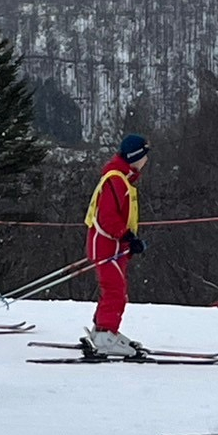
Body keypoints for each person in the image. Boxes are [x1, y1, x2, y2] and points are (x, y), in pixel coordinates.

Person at [81, 134, 150, 357]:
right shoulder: (116, 180)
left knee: (113, 290)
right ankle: (105, 335)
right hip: (107, 247)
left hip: (113, 247)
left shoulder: (122, 178)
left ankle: (103, 331)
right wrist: (127, 236)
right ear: (135, 157)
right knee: (115, 292)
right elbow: (107, 218)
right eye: (144, 155)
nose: (146, 160)